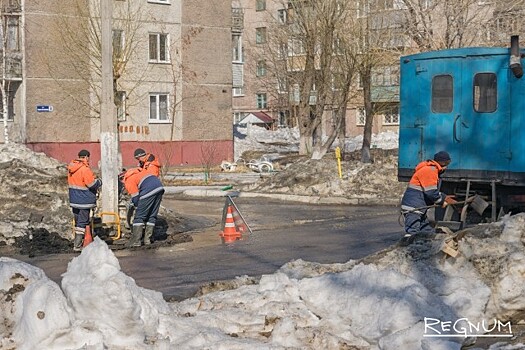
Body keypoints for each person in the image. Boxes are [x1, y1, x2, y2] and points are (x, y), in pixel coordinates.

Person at [399, 151, 457, 246]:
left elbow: (432, 190)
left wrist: (444, 197)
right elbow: (431, 192)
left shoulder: (432, 170)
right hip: (414, 208)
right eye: (446, 164)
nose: (446, 167)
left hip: (418, 207)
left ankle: (424, 251)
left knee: (427, 231)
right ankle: (406, 251)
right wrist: (441, 202)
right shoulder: (430, 171)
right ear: (442, 162)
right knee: (412, 233)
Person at [67, 149, 102, 251]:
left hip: (74, 199)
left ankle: (80, 241)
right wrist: (99, 182)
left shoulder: (71, 168)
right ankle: (77, 245)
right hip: (84, 200)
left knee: (78, 222)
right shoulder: (85, 169)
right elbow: (91, 184)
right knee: (82, 223)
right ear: (86, 157)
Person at [123, 166, 165, 246]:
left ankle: (136, 241)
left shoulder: (128, 180)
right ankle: (147, 240)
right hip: (159, 188)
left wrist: (136, 206)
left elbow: (135, 198)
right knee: (152, 215)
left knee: (139, 217)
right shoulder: (140, 172)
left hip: (149, 190)